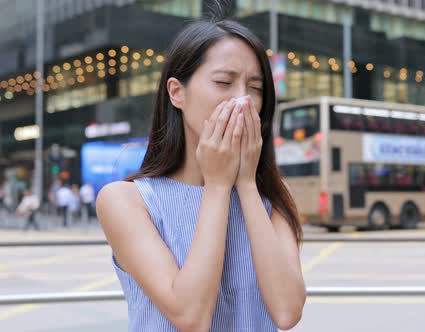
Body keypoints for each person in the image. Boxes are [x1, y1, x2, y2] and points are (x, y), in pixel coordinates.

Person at [96, 17, 305, 332]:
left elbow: (287, 311)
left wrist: (246, 184)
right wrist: (218, 186)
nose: (242, 100)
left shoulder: (272, 197)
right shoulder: (126, 201)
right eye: (223, 82)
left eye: (256, 88)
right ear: (177, 93)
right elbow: (191, 315)